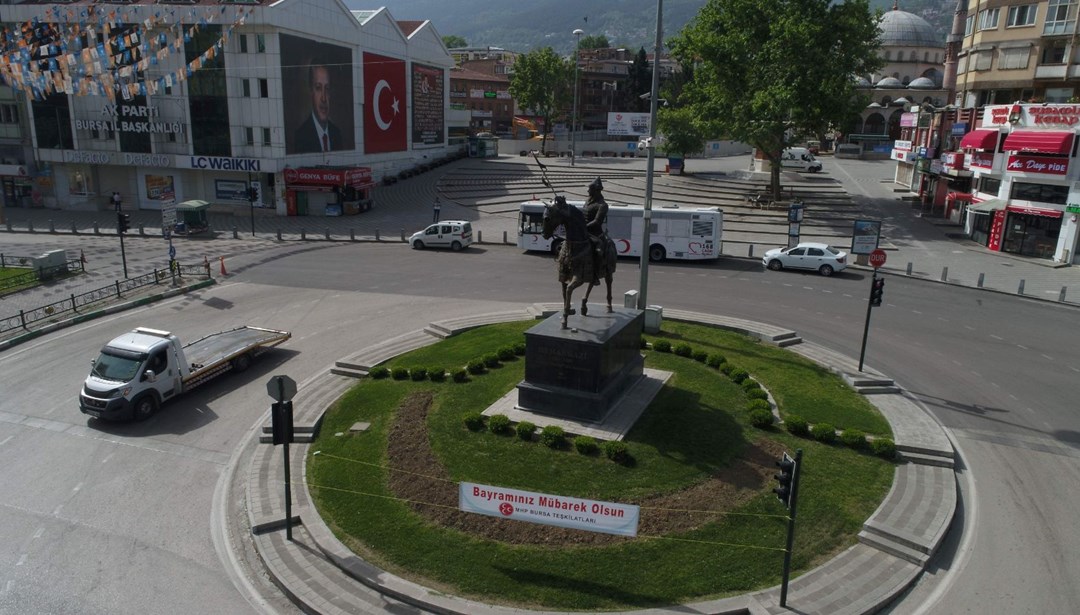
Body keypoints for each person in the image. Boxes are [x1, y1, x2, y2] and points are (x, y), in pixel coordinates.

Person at [292, 59, 343, 154]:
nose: (323, 98)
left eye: (327, 89)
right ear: (311, 91)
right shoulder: (301, 136)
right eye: (318, 88)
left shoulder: (337, 134)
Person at [582, 177, 610, 283]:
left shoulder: (602, 205)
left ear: (597, 190)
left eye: (590, 189)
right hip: (584, 231)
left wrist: (584, 227)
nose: (588, 191)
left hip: (595, 234)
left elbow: (597, 221)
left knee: (597, 252)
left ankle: (595, 274)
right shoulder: (587, 201)